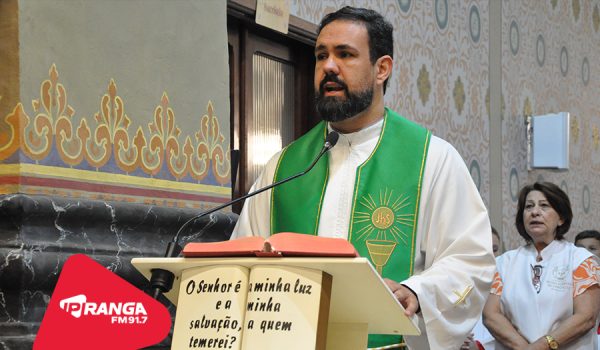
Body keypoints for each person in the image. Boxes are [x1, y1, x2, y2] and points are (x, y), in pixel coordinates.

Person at [231, 6, 495, 349]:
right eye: (321, 55)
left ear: (382, 68)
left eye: (345, 54)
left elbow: (470, 259)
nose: (328, 66)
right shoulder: (284, 166)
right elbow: (242, 257)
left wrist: (417, 291)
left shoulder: (432, 159)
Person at [483, 182, 600, 349]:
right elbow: (491, 315)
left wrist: (541, 346)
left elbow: (586, 317)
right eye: (529, 207)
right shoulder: (504, 263)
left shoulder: (581, 260)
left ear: (561, 218)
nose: (535, 212)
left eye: (544, 206)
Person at [461, 227, 502, 350]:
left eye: (494, 250)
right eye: (483, 249)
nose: (490, 255)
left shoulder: (503, 281)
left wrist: (475, 346)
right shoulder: (453, 281)